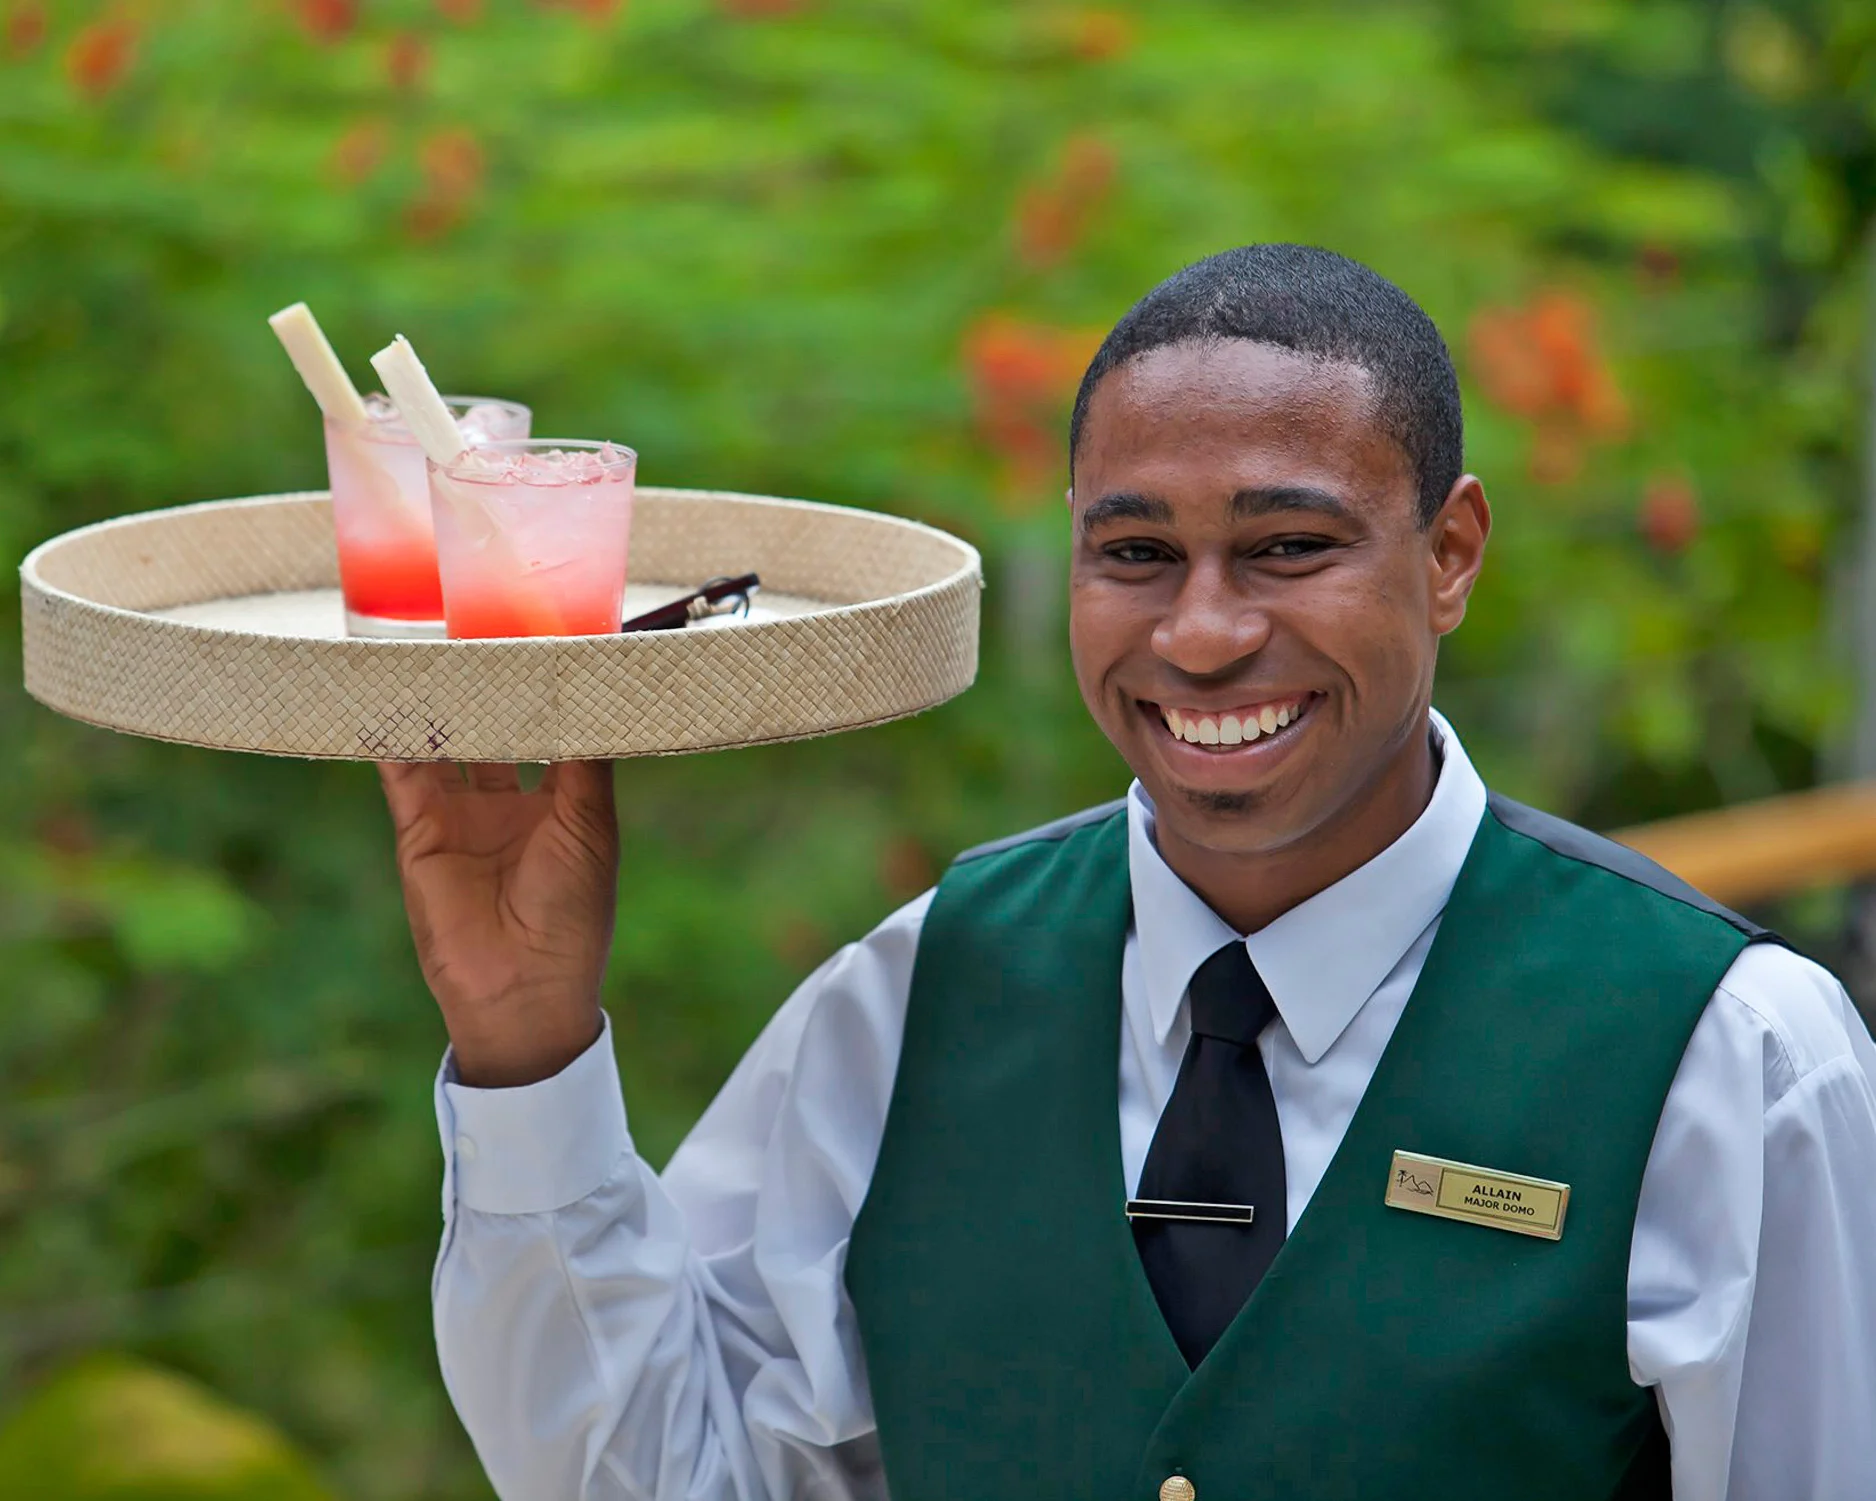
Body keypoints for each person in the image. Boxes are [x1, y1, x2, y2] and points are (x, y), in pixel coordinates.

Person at [379, 245, 1876, 1501]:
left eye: (1288, 547)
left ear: (1450, 554)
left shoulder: (1730, 1056)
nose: (1202, 634)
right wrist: (525, 1042)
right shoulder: (919, 994)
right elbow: (663, 1475)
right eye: (1138, 555)